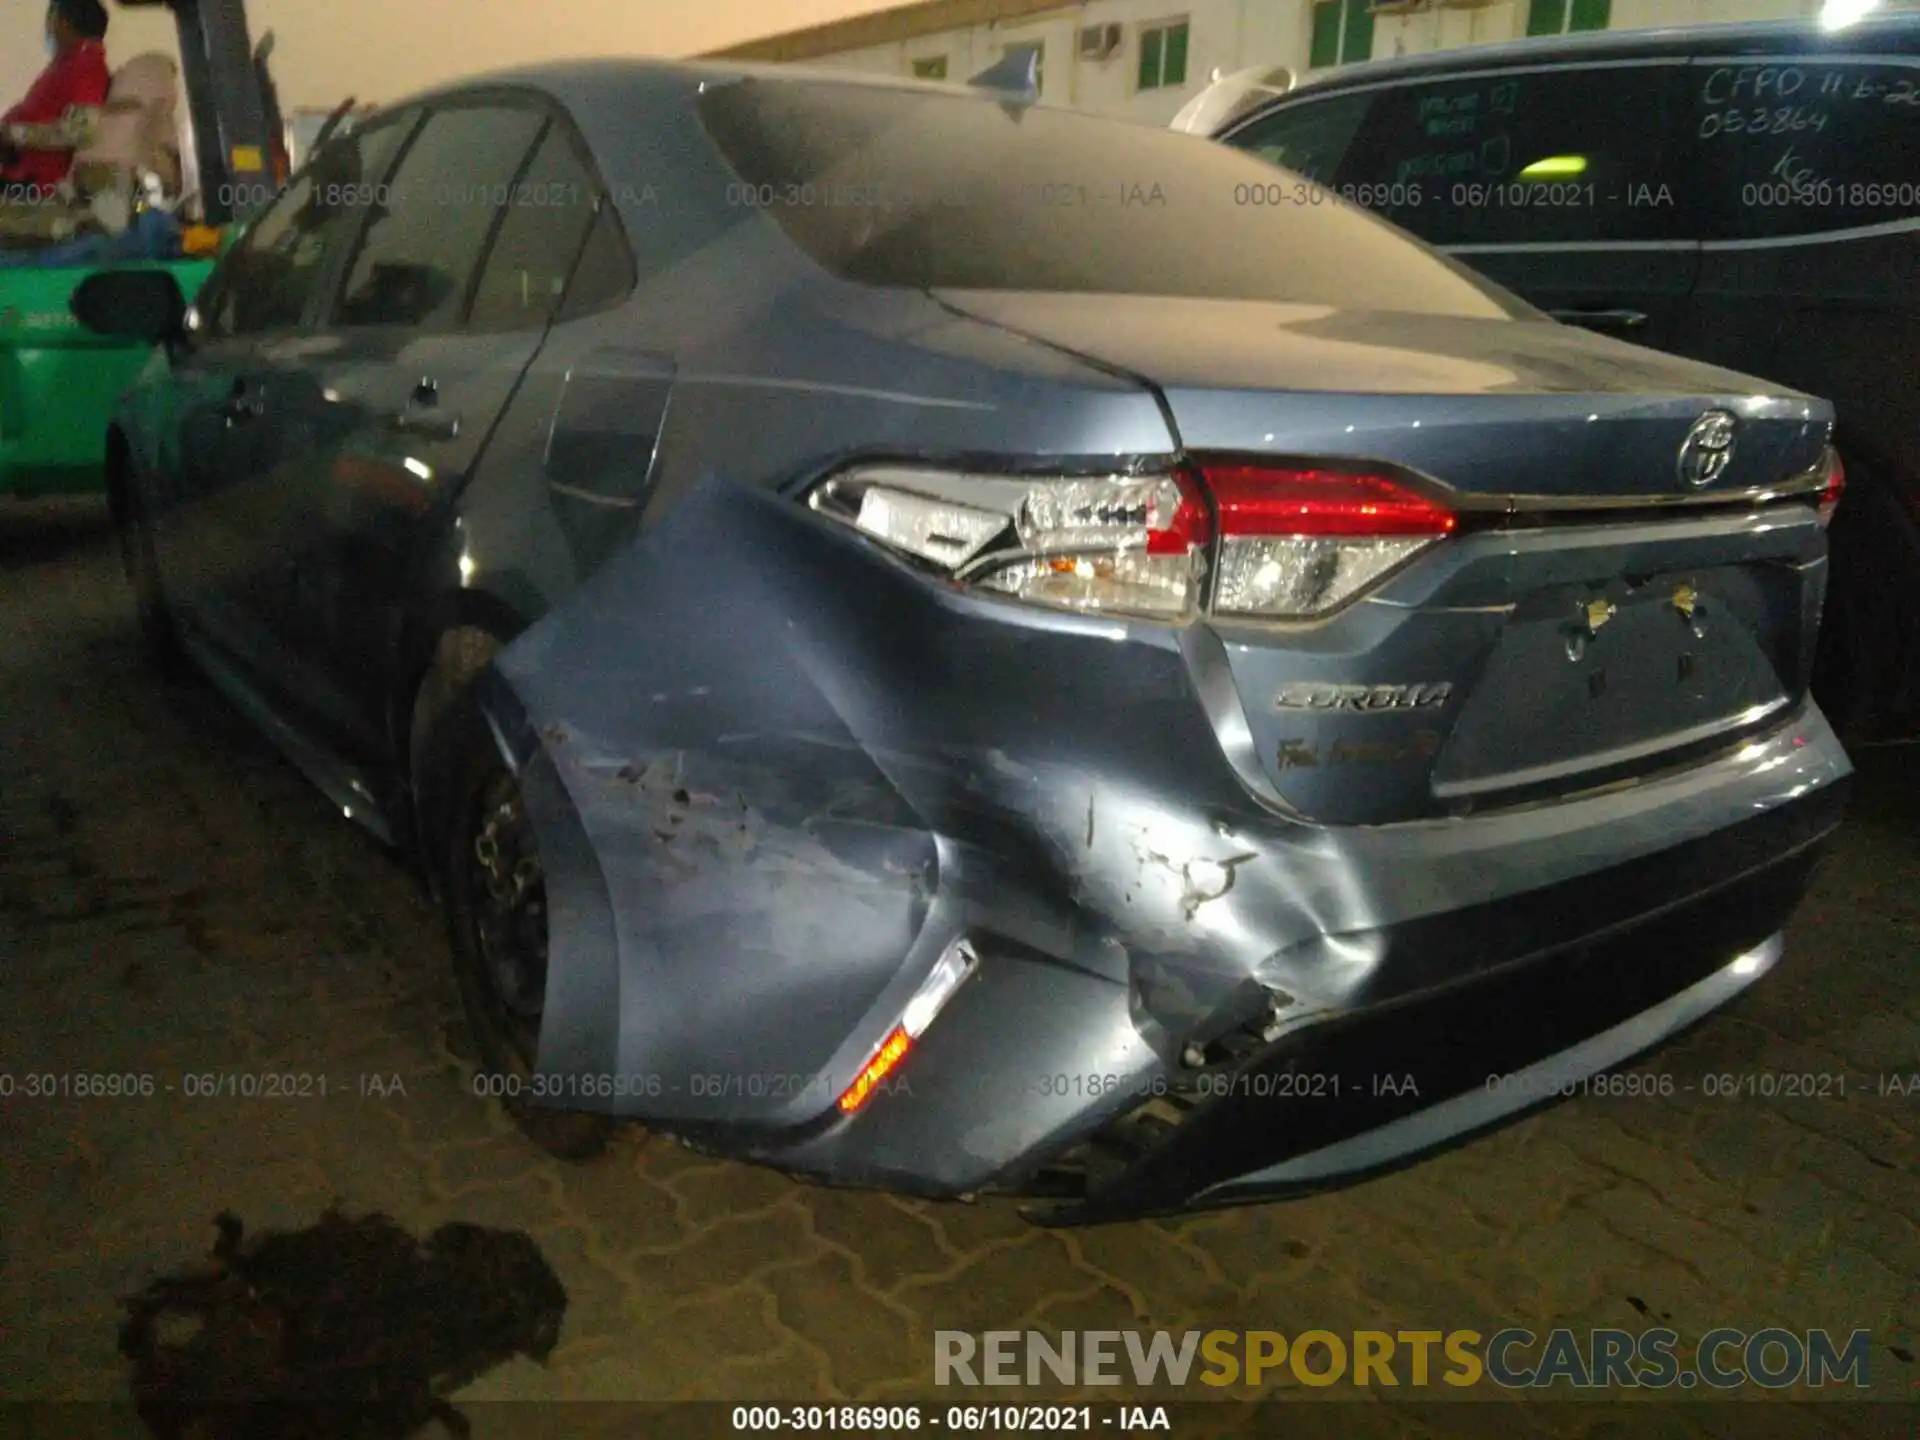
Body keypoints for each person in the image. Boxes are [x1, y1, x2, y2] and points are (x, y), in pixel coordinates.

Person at [1, 0, 112, 196]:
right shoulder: (68, 65)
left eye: (50, 20)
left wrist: (12, 134)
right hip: (19, 172)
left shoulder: (87, 65)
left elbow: (80, 130)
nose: (48, 30)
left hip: (37, 183)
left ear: (64, 23)